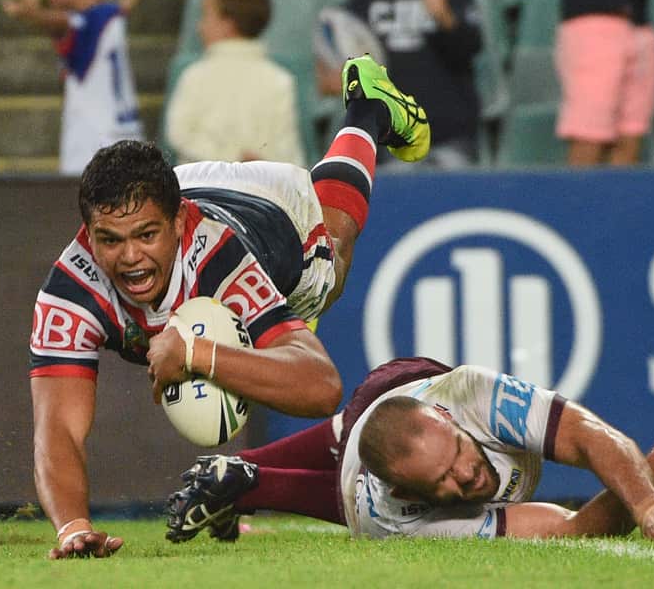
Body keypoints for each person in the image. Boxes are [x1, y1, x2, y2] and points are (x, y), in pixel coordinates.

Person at [31, 53, 430, 559]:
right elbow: (57, 427)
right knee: (267, 345)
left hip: (269, 210)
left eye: (146, 236)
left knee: (334, 264)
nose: (130, 257)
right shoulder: (71, 290)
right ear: (90, 234)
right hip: (187, 186)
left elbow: (323, 386)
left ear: (176, 225)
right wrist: (72, 526)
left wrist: (199, 356)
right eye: (110, 240)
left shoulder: (218, 260)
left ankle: (369, 111)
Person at [165, 358, 654, 543]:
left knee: (354, 426)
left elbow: (588, 435)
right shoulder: (400, 514)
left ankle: (242, 476)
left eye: (461, 455)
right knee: (336, 488)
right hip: (363, 481)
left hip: (401, 385)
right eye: (444, 481)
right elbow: (575, 529)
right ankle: (249, 482)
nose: (468, 478)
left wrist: (651, 499)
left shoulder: (469, 393)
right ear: (411, 494)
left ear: (448, 420)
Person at [317, 0, 482, 170]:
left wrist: (446, 18)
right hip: (391, 140)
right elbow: (347, 51)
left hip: (450, 136)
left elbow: (472, 47)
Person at [2, 0, 144, 175]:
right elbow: (128, 2)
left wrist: (29, 11)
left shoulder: (86, 21)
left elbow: (47, 18)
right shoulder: (111, 12)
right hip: (128, 136)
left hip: (93, 146)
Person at [165, 0, 305, 166]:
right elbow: (290, 155)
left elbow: (179, 134)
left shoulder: (194, 76)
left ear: (227, 24)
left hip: (199, 187)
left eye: (206, 15)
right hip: (263, 188)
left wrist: (231, 157)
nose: (199, 26)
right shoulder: (281, 80)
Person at [555, 0, 654, 166]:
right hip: (593, 20)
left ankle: (619, 194)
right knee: (589, 134)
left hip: (639, 23)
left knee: (631, 134)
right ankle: (578, 193)